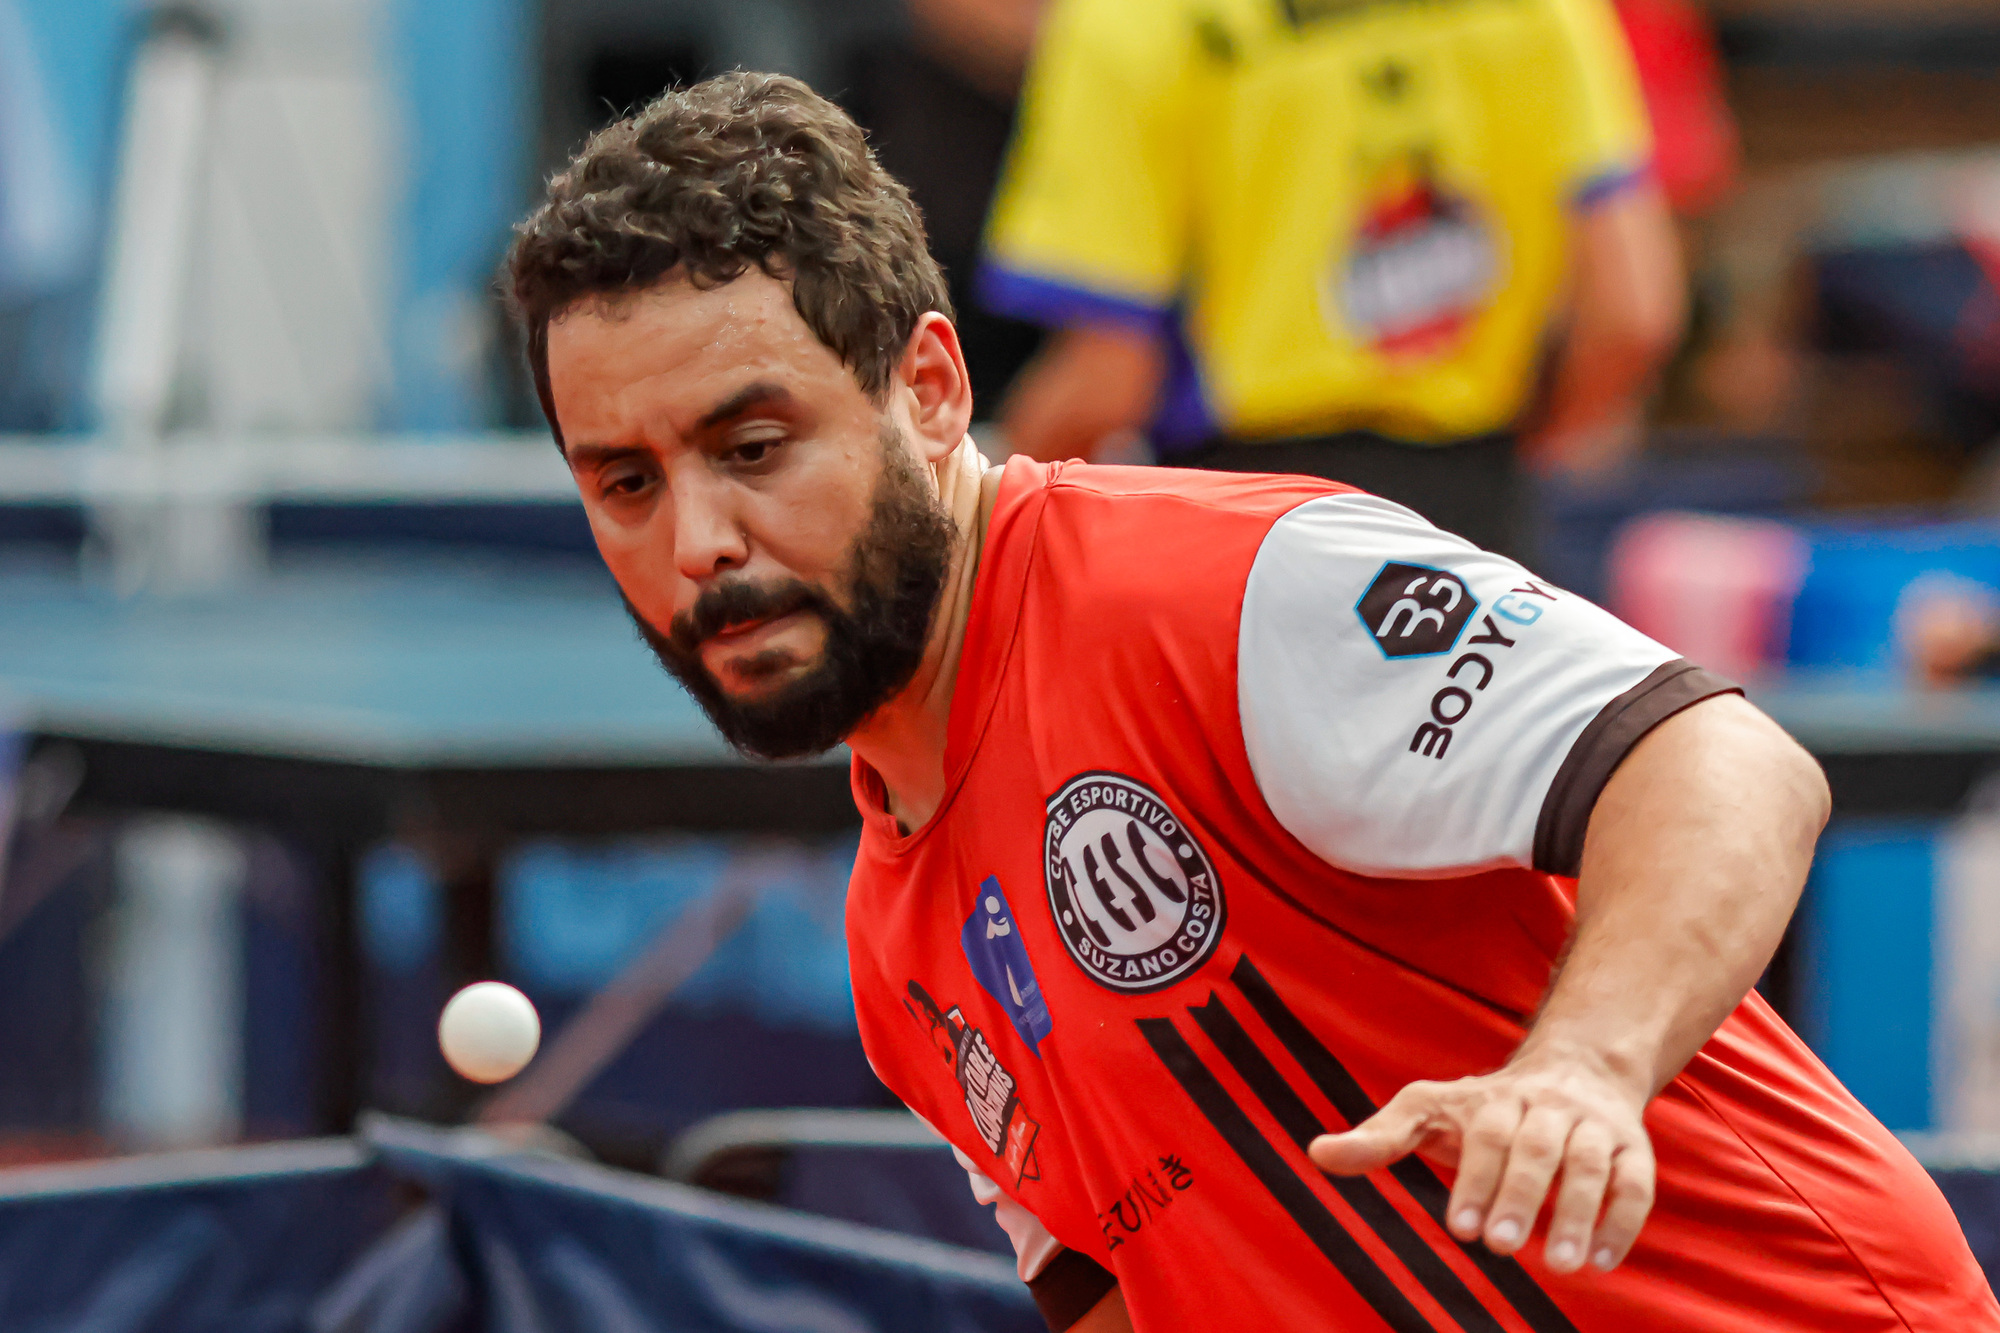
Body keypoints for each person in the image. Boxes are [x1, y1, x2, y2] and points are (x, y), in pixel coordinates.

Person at [506, 73, 1998, 1332]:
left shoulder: (1217, 593)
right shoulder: (898, 956)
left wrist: (1582, 1072)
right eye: (626, 483)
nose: (696, 543)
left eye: (753, 447)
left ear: (934, 390)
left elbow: (1727, 763)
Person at [979, 0, 1687, 557]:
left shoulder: (1137, 18)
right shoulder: (1542, 9)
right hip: (1478, 514)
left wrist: (988, 513)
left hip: (1246, 529)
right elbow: (1633, 315)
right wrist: (1497, 458)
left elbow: (1106, 384)